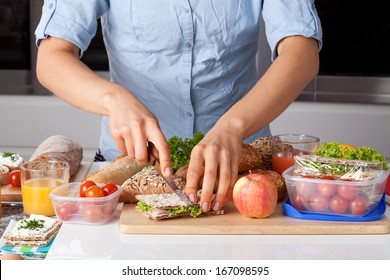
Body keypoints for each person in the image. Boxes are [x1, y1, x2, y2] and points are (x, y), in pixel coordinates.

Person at [35, 0, 322, 213]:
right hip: (129, 173)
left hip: (239, 174)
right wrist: (114, 99)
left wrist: (233, 125)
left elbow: (301, 52)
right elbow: (51, 58)